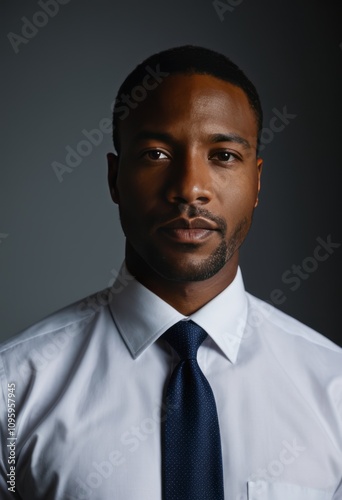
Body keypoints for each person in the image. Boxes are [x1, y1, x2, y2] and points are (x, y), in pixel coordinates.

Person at [0, 45, 341, 500]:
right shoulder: (12, 390)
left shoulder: (333, 390)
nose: (190, 188)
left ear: (257, 182)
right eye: (157, 154)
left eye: (223, 156)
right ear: (114, 178)